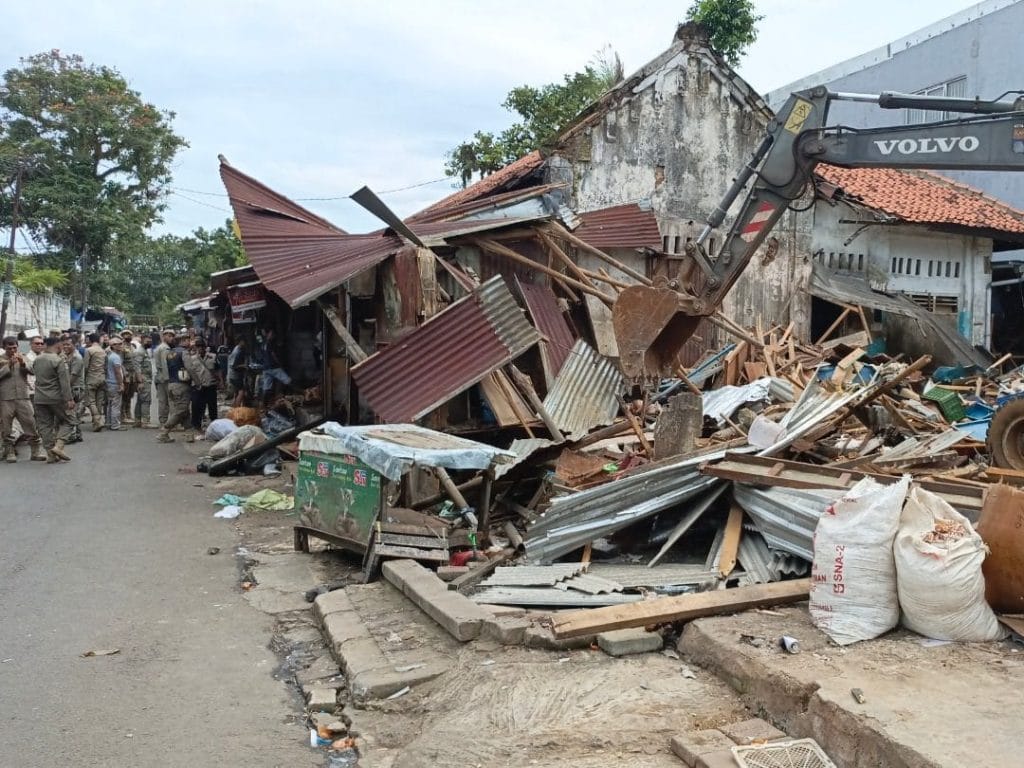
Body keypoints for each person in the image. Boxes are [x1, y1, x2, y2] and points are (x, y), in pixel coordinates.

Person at [0, 337, 46, 462]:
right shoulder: (1, 359)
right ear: (4, 347)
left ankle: (35, 451)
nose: (12, 350)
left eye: (14, 347)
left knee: (30, 423)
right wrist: (8, 365)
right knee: (6, 427)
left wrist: (22, 363)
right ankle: (9, 452)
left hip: (23, 397)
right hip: (5, 398)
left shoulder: (23, 357)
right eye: (9, 348)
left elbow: (32, 371)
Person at [32, 337, 74, 462]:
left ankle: (50, 454)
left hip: (39, 397)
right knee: (70, 420)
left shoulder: (37, 359)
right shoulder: (58, 360)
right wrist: (69, 399)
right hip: (55, 397)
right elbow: (64, 382)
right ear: (58, 345)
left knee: (45, 426)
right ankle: (59, 446)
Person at [156, 333, 191, 443]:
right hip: (181, 385)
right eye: (188, 340)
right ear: (183, 341)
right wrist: (198, 381)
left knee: (184, 411)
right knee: (181, 410)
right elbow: (190, 368)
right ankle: (164, 432)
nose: (189, 342)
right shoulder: (183, 353)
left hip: (172, 384)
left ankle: (189, 434)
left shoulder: (170, 353)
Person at [185, 338, 218, 440]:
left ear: (205, 347)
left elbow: (218, 369)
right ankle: (197, 426)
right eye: (198, 347)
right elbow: (190, 373)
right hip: (198, 386)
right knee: (197, 407)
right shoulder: (192, 359)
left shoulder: (213, 357)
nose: (200, 349)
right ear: (196, 348)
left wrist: (221, 381)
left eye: (202, 347)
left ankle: (214, 425)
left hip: (210, 385)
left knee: (212, 406)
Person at [258, 328, 291, 405]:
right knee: (288, 381)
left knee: (266, 388)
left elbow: (262, 355)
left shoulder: (263, 343)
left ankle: (263, 405)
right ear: (268, 333)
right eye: (272, 333)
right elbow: (273, 355)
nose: (273, 335)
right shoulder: (270, 343)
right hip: (273, 367)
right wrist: (279, 364)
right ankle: (303, 392)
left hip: (265, 368)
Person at [62, 337, 85, 444]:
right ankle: (78, 434)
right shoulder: (67, 356)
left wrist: (65, 389)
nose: (65, 347)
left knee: (71, 412)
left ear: (74, 345)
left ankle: (72, 435)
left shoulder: (76, 358)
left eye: (68, 344)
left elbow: (73, 376)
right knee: (74, 412)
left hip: (75, 389)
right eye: (64, 344)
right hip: (73, 387)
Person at [82, 332, 107, 431]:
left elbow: (86, 366)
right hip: (102, 377)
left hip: (91, 378)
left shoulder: (89, 350)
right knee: (99, 401)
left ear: (90, 340)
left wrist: (84, 377)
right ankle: (97, 421)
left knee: (91, 401)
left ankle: (97, 421)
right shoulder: (103, 351)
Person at [154, 328, 175, 427]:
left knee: (163, 400)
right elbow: (165, 364)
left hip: (160, 377)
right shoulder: (165, 348)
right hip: (165, 378)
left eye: (172, 336)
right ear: (164, 336)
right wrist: (169, 379)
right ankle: (169, 422)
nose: (171, 338)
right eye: (169, 336)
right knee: (169, 400)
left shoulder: (160, 347)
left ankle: (163, 421)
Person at [104, 336, 126, 431]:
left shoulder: (110, 356)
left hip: (109, 383)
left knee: (110, 404)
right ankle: (115, 425)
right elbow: (118, 372)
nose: (121, 345)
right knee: (116, 404)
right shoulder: (116, 357)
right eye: (119, 344)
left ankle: (109, 422)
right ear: (114, 346)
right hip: (114, 383)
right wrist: (121, 384)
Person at [133, 333, 154, 428]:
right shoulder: (139, 352)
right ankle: (145, 421)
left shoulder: (144, 351)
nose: (149, 343)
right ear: (142, 340)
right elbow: (137, 368)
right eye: (147, 341)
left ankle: (138, 420)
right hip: (144, 379)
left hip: (145, 378)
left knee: (140, 400)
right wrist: (140, 381)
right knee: (146, 400)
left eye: (150, 341)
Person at [119, 330, 139, 421]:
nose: (128, 336)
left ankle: (128, 413)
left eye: (129, 335)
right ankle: (122, 416)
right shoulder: (121, 347)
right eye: (125, 335)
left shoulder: (132, 346)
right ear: (122, 336)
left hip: (133, 374)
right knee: (124, 395)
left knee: (130, 395)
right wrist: (124, 373)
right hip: (126, 374)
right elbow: (120, 362)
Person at [227, 339, 248, 404]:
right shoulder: (237, 352)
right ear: (241, 342)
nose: (245, 343)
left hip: (232, 375)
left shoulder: (237, 348)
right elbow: (234, 366)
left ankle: (234, 407)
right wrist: (244, 365)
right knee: (241, 392)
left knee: (236, 392)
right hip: (235, 375)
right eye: (244, 342)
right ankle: (237, 410)